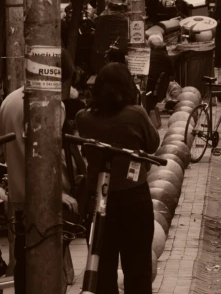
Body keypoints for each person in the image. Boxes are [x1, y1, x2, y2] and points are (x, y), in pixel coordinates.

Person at [76, 62, 160, 292]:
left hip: (99, 201)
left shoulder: (84, 118)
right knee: (138, 267)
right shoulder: (135, 114)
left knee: (102, 266)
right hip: (134, 198)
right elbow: (153, 145)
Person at [2, 49, 80, 293]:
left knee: (23, 256)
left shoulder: (8, 101)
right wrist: (58, 193)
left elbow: (0, 152)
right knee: (46, 258)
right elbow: (51, 156)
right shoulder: (52, 106)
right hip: (46, 197)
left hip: (17, 192)